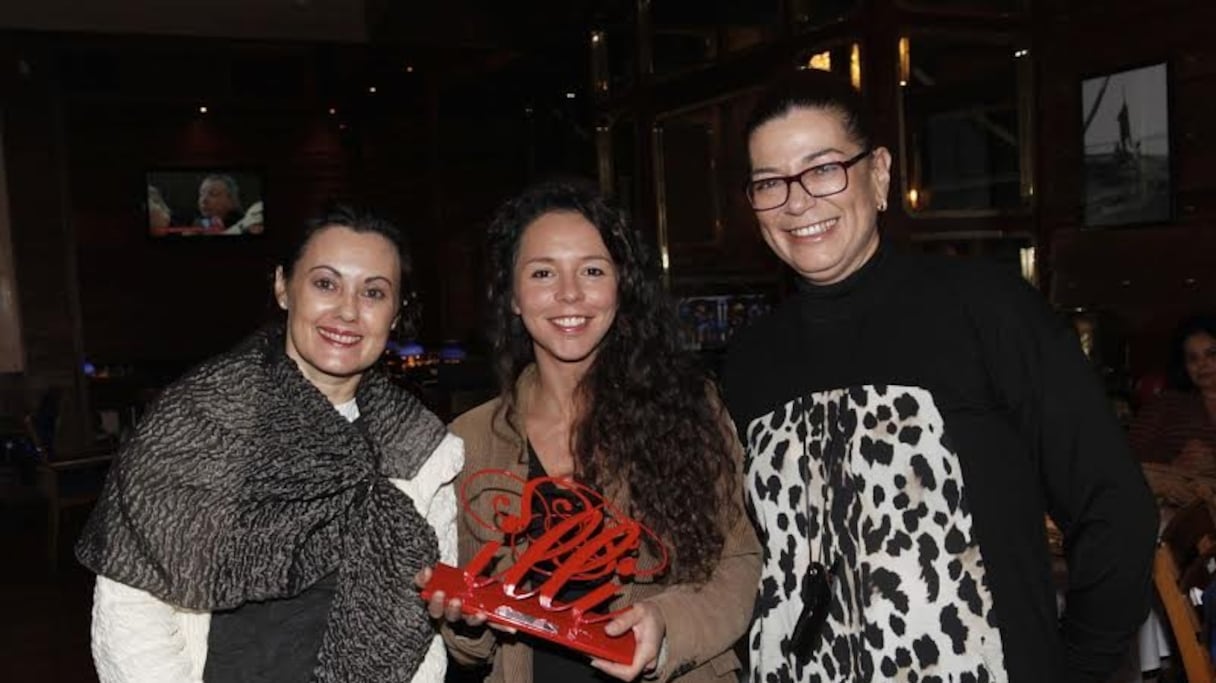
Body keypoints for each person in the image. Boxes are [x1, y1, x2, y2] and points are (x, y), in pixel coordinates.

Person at [720, 69, 1157, 682]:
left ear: (879, 175)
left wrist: (1077, 666)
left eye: (822, 170)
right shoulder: (747, 362)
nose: (796, 201)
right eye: (770, 182)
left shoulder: (986, 310)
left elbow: (1116, 508)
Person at [76, 206, 463, 683]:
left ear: (396, 312)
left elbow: (420, 628)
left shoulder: (419, 445)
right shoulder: (202, 421)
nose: (347, 310)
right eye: (325, 283)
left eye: (374, 292)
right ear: (283, 286)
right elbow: (131, 608)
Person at [420, 180, 761, 682]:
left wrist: (666, 625)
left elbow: (740, 564)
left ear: (621, 285)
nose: (570, 294)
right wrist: (466, 625)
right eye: (542, 273)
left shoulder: (687, 411)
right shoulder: (470, 441)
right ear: (513, 296)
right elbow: (475, 646)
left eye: (593, 270)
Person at [1130, 314, 1216, 473]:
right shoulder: (1164, 404)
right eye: (1192, 358)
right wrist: (1174, 465)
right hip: (1171, 491)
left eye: (1211, 354)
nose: (1202, 364)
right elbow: (1127, 456)